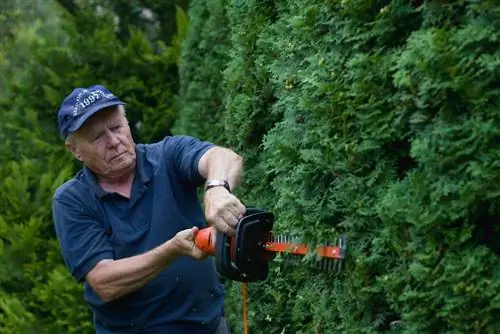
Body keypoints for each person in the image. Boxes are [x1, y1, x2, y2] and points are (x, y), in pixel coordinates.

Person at [51, 84, 246, 333]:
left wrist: (217, 188)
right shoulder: (72, 200)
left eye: (117, 127)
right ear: (75, 150)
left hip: (209, 326)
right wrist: (171, 250)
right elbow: (105, 282)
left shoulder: (167, 156)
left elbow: (225, 158)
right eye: (97, 137)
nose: (114, 141)